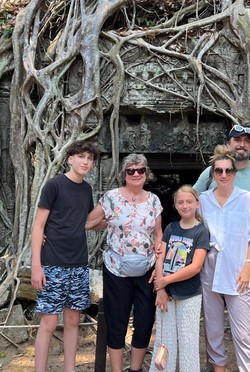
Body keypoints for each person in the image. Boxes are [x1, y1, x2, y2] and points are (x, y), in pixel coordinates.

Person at [194, 124, 250, 372]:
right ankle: (215, 363)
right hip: (212, 263)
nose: (223, 174)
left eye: (247, 141)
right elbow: (189, 204)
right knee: (212, 318)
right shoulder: (206, 192)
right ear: (229, 145)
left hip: (246, 259)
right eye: (236, 140)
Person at [86, 154, 163, 372]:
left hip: (147, 269)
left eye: (140, 170)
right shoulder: (111, 198)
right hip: (116, 268)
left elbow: (158, 235)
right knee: (117, 320)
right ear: (124, 174)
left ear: (146, 173)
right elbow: (88, 222)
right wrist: (110, 222)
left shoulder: (154, 200)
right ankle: (117, 370)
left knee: (145, 320)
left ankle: (135, 369)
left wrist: (159, 267)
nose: (136, 174)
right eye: (131, 170)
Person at [31, 140, 101, 372]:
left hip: (79, 264)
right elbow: (38, 226)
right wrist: (36, 266)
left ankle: (69, 369)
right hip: (52, 263)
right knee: (49, 323)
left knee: (73, 321)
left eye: (90, 159)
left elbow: (85, 224)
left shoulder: (87, 189)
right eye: (81, 157)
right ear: (70, 159)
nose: (86, 162)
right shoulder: (55, 185)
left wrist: (119, 219)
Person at [199, 145, 250, 372]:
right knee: (213, 326)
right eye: (219, 171)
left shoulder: (247, 200)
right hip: (209, 269)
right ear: (213, 174)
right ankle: (219, 367)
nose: (223, 175)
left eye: (228, 171)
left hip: (238, 269)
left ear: (234, 173)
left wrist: (247, 269)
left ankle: (249, 369)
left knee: (242, 331)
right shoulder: (203, 200)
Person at [149, 186, 211, 372]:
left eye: (189, 202)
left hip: (189, 294)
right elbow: (160, 257)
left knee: (188, 343)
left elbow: (195, 266)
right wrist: (160, 289)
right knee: (164, 341)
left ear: (197, 204)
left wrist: (166, 281)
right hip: (165, 294)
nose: (185, 205)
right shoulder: (171, 228)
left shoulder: (201, 232)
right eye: (181, 202)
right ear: (175, 205)